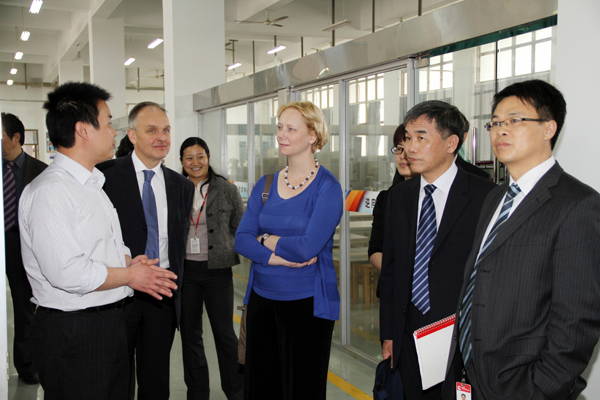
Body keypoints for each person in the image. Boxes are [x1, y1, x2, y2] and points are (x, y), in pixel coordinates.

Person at [19, 82, 178, 400]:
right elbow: (67, 273)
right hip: (75, 331)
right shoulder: (51, 191)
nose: (114, 131)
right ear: (83, 130)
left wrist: (128, 262)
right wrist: (130, 276)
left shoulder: (92, 184)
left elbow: (102, 247)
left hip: (107, 322)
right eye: (107, 123)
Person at [443, 80, 600, 400]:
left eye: (515, 120)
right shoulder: (495, 197)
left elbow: (576, 319)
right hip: (469, 376)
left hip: (521, 386)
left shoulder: (578, 204)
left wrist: (540, 388)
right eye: (495, 123)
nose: (501, 130)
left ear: (548, 128)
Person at [379, 100, 496, 400]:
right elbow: (391, 270)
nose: (410, 147)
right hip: (408, 332)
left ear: (451, 143)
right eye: (408, 138)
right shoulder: (399, 197)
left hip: (460, 336)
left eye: (421, 137)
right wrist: (388, 333)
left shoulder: (485, 196)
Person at [234, 101, 343, 399]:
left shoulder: (328, 188)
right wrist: (276, 257)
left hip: (307, 305)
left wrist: (265, 239)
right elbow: (241, 239)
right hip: (262, 301)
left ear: (312, 136)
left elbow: (308, 247)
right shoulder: (266, 184)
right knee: (262, 389)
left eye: (291, 129)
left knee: (302, 390)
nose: (281, 134)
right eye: (280, 127)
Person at [97, 102, 194, 400]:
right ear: (132, 135)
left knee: (156, 379)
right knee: (116, 379)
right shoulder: (105, 176)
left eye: (166, 130)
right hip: (118, 294)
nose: (162, 137)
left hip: (161, 296)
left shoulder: (182, 186)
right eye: (152, 130)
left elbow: (177, 246)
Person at [178, 137, 244, 400]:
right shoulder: (175, 188)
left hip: (218, 271)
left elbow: (239, 226)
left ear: (208, 157)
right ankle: (197, 393)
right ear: (182, 161)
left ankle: (236, 390)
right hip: (185, 273)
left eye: (200, 156)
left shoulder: (226, 189)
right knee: (190, 335)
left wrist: (229, 247)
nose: (195, 163)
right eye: (189, 158)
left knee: (225, 334)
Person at [1, 112, 47, 385]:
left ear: (15, 137)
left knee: (24, 309)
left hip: (22, 247)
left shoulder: (40, 171)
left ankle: (27, 366)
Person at [369, 123, 417, 272]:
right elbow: (375, 249)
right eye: (399, 148)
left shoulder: (432, 197)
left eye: (408, 149)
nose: (402, 156)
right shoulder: (387, 198)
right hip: (393, 282)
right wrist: (398, 276)